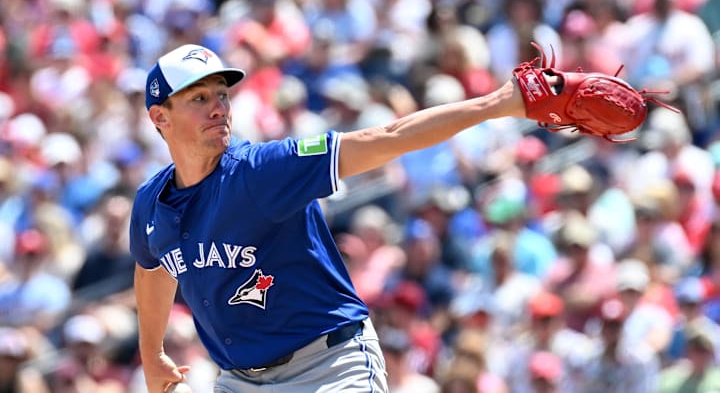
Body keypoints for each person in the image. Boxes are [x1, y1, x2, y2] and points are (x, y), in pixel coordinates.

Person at [130, 43, 530, 393]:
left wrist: (499, 103)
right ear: (159, 117)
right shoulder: (151, 202)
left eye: (222, 94)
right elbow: (152, 269)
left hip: (328, 367)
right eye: (198, 98)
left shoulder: (261, 171)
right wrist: (153, 354)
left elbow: (388, 137)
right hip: (239, 380)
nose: (218, 107)